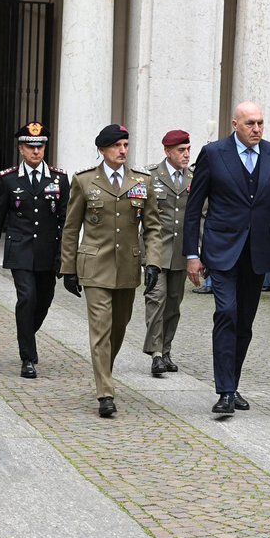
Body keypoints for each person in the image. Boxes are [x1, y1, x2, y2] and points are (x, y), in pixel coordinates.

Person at [183, 101, 270, 416]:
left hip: (258, 252)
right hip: (221, 250)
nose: (257, 129)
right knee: (226, 312)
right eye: (250, 123)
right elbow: (194, 208)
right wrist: (192, 254)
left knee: (244, 322)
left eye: (260, 123)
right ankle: (225, 391)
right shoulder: (214, 154)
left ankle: (233, 384)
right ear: (235, 124)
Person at [59, 124, 162, 418]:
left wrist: (153, 262)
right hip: (94, 266)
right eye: (117, 145)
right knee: (101, 329)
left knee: (119, 327)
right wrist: (68, 268)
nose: (122, 150)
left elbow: (153, 227)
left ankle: (105, 370)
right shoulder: (84, 181)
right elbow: (71, 228)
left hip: (128, 266)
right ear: (102, 150)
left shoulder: (142, 181)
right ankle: (105, 392)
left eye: (126, 145)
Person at [0, 122, 69, 379]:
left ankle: (25, 333)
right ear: (21, 149)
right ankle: (27, 357)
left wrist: (66, 255)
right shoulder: (8, 179)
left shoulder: (59, 179)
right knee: (27, 298)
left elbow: (65, 220)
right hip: (20, 249)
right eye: (30, 147)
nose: (36, 151)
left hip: (48, 251)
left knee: (44, 301)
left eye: (40, 146)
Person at [143, 129, 194, 376]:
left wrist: (199, 252)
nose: (186, 154)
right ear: (167, 151)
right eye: (181, 150)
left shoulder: (194, 177)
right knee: (156, 299)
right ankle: (156, 354)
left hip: (181, 252)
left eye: (188, 149)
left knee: (174, 304)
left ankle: (166, 349)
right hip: (156, 251)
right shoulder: (151, 176)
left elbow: (201, 215)